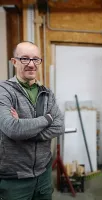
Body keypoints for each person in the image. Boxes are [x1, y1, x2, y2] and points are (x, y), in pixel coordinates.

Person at [0, 41, 65, 200]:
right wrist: (47, 118)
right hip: (15, 178)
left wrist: (25, 131)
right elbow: (12, 128)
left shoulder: (46, 93)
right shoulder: (4, 91)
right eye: (25, 59)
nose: (31, 64)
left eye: (36, 59)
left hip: (43, 173)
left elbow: (59, 126)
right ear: (14, 62)